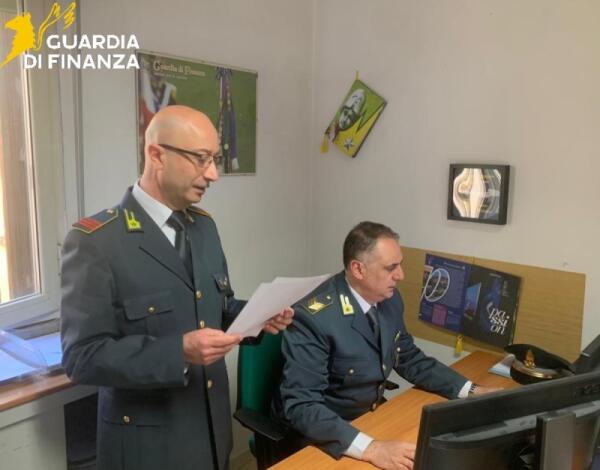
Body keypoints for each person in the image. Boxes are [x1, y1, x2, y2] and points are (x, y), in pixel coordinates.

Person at [60, 105, 293, 470]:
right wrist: (178, 352)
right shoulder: (96, 241)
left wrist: (259, 316)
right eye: (201, 159)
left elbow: (218, 307)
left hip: (211, 432)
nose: (213, 174)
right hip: (148, 446)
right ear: (157, 155)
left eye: (214, 159)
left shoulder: (203, 227)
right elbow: (81, 358)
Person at [271, 221, 497, 470]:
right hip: (323, 435)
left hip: (369, 418)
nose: (400, 275)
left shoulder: (389, 299)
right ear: (358, 269)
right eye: (391, 268)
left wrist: (470, 390)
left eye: (400, 264)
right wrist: (372, 448)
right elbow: (302, 406)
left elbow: (408, 357)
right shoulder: (315, 316)